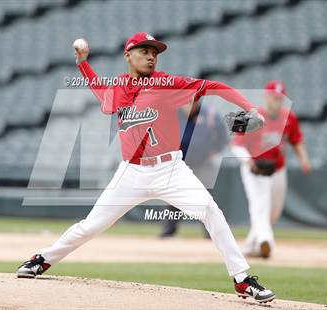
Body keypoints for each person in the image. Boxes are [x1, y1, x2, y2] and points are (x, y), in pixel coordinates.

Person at [17, 32, 275, 303]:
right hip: (131, 172)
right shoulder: (118, 86)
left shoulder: (167, 84)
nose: (151, 56)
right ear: (128, 55)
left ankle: (242, 279)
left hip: (170, 170)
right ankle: (42, 260)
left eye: (155, 52)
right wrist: (83, 64)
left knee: (211, 211)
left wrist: (251, 107)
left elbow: (213, 86)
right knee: (90, 226)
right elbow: (100, 91)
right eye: (144, 51)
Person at [230, 80, 311, 259]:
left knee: (273, 211)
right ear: (266, 98)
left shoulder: (289, 117)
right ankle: (265, 241)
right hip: (255, 169)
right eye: (274, 98)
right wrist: (247, 161)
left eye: (280, 99)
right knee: (260, 205)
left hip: (277, 168)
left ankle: (252, 245)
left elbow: (296, 140)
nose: (278, 102)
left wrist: (304, 159)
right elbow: (235, 144)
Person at [160, 102, 228, 238]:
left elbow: (223, 136)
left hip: (202, 162)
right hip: (179, 163)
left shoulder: (209, 114)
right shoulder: (173, 113)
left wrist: (215, 150)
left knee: (205, 198)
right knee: (173, 196)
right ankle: (169, 231)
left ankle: (211, 233)